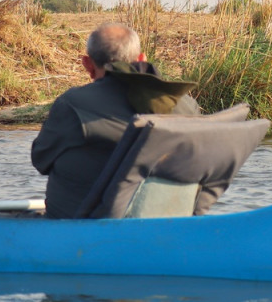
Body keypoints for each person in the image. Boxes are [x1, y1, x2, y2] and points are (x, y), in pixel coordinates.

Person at [31, 22, 200, 219]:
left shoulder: (73, 104)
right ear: (141, 58)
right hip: (168, 224)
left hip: (82, 228)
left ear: (88, 64)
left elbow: (41, 160)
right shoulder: (188, 106)